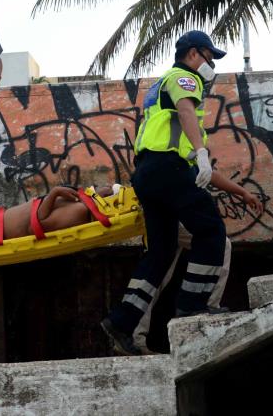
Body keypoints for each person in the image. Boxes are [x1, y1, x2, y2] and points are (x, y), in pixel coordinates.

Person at [100, 30, 264, 356]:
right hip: (167, 169)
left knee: (161, 252)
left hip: (149, 173)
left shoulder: (160, 94)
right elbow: (188, 114)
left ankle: (121, 321)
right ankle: (191, 305)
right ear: (192, 53)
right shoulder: (184, 78)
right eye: (209, 57)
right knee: (211, 231)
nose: (210, 65)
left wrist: (239, 192)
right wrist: (202, 152)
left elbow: (199, 170)